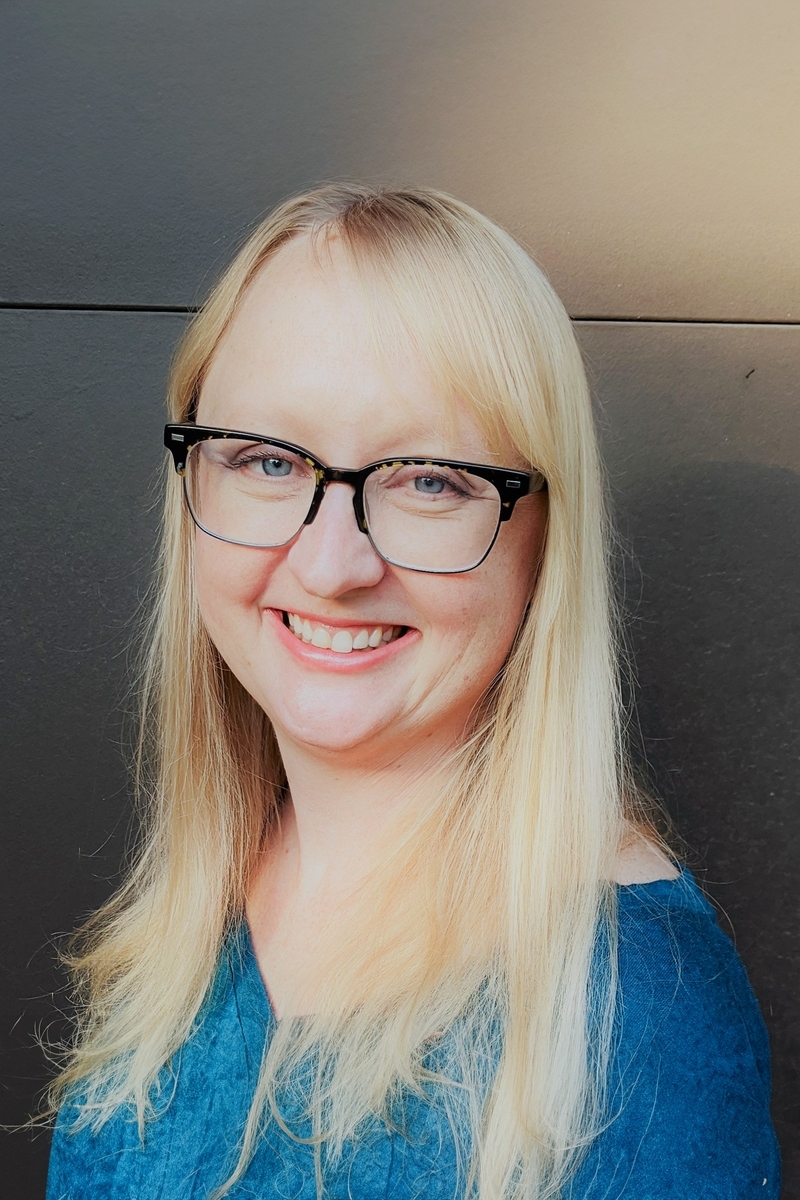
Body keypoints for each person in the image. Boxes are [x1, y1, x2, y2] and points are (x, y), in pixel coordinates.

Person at [45, 185, 780, 1199]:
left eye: (428, 478)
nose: (333, 562)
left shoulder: (628, 1007)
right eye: (263, 459)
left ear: (541, 541)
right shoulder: (186, 924)